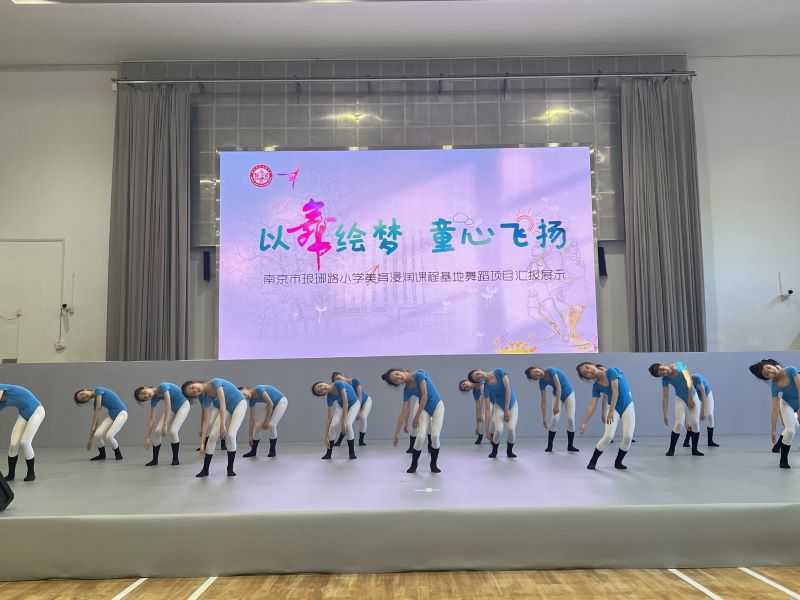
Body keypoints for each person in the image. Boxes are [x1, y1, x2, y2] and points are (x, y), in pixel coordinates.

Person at [182, 379, 247, 477]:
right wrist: (202, 444)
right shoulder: (206, 399)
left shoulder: (215, 383)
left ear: (195, 382)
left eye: (192, 387)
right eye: (193, 393)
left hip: (239, 403)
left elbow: (222, 403)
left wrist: (222, 425)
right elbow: (206, 421)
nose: (195, 391)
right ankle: (205, 470)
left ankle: (230, 469)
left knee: (231, 435)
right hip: (227, 408)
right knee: (212, 436)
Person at [383, 368, 444, 473]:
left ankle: (433, 464)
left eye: (397, 374)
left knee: (435, 436)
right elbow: (404, 412)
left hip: (438, 406)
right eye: (396, 380)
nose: (399, 377)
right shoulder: (407, 390)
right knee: (420, 436)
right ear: (397, 384)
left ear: (399, 370)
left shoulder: (419, 375)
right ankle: (413, 464)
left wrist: (416, 417)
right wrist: (396, 434)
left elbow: (425, 396)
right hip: (424, 409)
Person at [576, 363, 634, 470]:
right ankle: (593, 461)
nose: (588, 371)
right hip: (613, 408)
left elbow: (615, 392)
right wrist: (584, 423)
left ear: (593, 364)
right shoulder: (596, 387)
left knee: (628, 437)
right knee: (608, 436)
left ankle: (618, 462)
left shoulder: (610, 371)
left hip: (627, 406)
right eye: (585, 373)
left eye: (587, 367)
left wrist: (610, 411)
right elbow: (592, 405)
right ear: (587, 378)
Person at [749, 359, 799, 469]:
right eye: (767, 374)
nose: (771, 371)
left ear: (771, 364)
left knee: (796, 425)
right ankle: (783, 460)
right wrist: (773, 430)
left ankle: (778, 444)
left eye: (768, 368)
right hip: (787, 403)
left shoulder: (791, 370)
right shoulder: (775, 386)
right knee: (790, 430)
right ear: (767, 378)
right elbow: (774, 408)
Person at [648, 362, 704, 457]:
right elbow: (665, 397)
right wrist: (665, 413)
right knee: (679, 423)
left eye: (663, 369)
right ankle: (671, 449)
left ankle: (695, 450)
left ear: (662, 364)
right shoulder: (665, 379)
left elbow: (689, 380)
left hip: (692, 395)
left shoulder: (679, 365)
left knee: (695, 422)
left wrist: (690, 397)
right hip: (680, 397)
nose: (665, 372)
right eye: (662, 374)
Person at [134, 382, 190, 466]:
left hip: (183, 405)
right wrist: (148, 437)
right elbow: (152, 418)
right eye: (145, 398)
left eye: (144, 392)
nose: (147, 395)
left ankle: (175, 459)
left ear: (145, 387)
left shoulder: (163, 386)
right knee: (157, 431)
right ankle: (154, 460)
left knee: (173, 431)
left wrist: (165, 425)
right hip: (172, 408)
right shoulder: (154, 399)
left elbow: (168, 405)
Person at [525, 366, 579, 452]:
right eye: (535, 376)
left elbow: (559, 387)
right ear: (536, 379)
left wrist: (556, 405)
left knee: (570, 419)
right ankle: (549, 446)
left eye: (536, 371)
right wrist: (544, 418)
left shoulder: (551, 371)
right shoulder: (541, 382)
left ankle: (570, 445)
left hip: (569, 394)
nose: (538, 374)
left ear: (538, 368)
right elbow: (543, 401)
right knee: (554, 420)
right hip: (557, 396)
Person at [467, 368, 519, 458]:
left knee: (511, 429)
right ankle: (494, 451)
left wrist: (506, 410)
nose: (479, 376)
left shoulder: (499, 372)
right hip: (498, 407)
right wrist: (487, 430)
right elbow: (487, 410)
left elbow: (508, 390)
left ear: (479, 370)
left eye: (477, 373)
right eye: (477, 379)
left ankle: (509, 451)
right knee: (498, 430)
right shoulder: (486, 388)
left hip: (512, 405)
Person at [0, 384, 45, 482]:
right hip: (23, 413)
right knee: (13, 444)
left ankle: (31, 473)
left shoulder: (1, 387)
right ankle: (11, 475)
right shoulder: (1, 403)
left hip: (37, 410)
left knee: (25, 442)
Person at [75, 387, 128, 462]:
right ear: (86, 401)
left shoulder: (98, 390)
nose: (84, 396)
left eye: (82, 394)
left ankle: (118, 453)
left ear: (85, 390)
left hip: (121, 413)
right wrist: (90, 440)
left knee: (109, 436)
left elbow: (98, 408)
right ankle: (102, 455)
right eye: (83, 399)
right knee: (97, 435)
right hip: (112, 416)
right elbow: (96, 419)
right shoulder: (95, 403)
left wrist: (93, 425)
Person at [311, 380, 360, 460]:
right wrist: (326, 437)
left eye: (320, 385)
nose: (322, 388)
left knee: (348, 425)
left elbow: (346, 402)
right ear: (322, 395)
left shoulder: (338, 384)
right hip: (341, 405)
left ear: (323, 382)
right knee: (333, 425)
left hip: (354, 404)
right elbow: (329, 417)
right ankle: (328, 453)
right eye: (320, 392)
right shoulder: (329, 397)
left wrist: (343, 424)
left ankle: (352, 453)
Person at [239, 384, 288, 458]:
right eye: (243, 398)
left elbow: (270, 404)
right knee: (258, 425)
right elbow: (252, 419)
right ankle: (253, 451)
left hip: (281, 401)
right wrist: (250, 436)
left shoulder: (258, 389)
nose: (245, 397)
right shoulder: (251, 400)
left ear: (245, 388)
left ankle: (272, 450)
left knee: (271, 425)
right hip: (271, 405)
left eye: (243, 394)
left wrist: (266, 420)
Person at [332, 373, 372, 447]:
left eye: (339, 378)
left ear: (342, 375)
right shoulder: (342, 389)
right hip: (353, 404)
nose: (339, 381)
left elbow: (359, 396)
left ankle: (361, 440)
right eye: (337, 381)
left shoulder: (355, 381)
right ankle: (339, 441)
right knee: (347, 422)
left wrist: (358, 411)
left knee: (363, 417)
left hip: (366, 401)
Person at [689, 373, 719, 448]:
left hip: (706, 394)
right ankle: (686, 440)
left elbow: (703, 395)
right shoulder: (686, 383)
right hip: (697, 396)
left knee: (709, 415)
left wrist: (702, 412)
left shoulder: (697, 378)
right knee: (693, 419)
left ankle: (710, 441)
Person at [458, 379, 488, 444]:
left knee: (486, 417)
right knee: (482, 418)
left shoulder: (479, 380)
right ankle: (480, 436)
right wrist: (477, 426)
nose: (465, 386)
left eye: (463, 384)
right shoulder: (475, 392)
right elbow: (477, 408)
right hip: (487, 403)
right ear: (467, 390)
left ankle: (491, 436)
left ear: (466, 380)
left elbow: (483, 395)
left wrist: (481, 412)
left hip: (493, 398)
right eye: (464, 388)